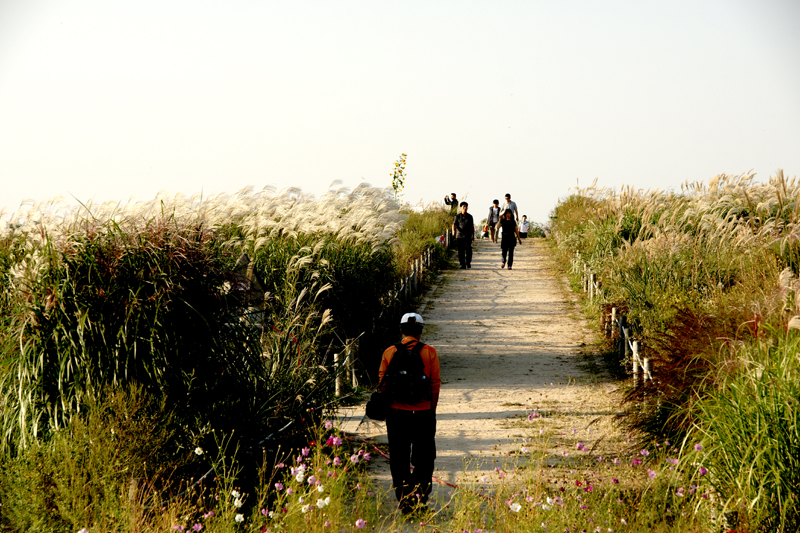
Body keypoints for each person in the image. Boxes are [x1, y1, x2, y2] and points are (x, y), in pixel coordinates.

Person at [378, 313, 441, 514]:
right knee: (424, 459)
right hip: (423, 414)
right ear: (421, 331)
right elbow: (435, 385)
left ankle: (405, 500)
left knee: (399, 458)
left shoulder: (389, 352)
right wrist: (431, 409)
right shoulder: (430, 352)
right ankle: (420, 498)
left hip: (397, 415)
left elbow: (383, 385)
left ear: (401, 330)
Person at [452, 202, 475, 269]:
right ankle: (462, 264)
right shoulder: (457, 216)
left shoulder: (470, 217)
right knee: (461, 251)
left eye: (466, 206)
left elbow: (472, 227)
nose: (465, 208)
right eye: (463, 207)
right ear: (460, 208)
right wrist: (454, 231)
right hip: (459, 236)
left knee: (468, 250)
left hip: (468, 236)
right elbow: (454, 224)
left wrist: (473, 236)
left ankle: (468, 262)